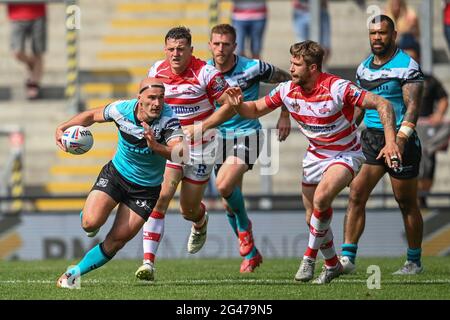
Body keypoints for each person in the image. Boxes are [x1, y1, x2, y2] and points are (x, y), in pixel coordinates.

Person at [224, 40, 400, 284]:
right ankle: (332, 264)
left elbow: (383, 103)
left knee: (321, 199)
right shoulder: (287, 90)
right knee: (312, 218)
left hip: (346, 153)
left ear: (313, 68)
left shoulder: (338, 88)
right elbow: (254, 109)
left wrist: (390, 141)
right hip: (315, 156)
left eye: (297, 65)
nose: (291, 69)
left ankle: (308, 259)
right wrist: (237, 106)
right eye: (291, 63)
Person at [55, 78, 184, 288]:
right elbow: (91, 115)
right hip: (116, 175)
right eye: (151, 98)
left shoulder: (169, 120)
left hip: (146, 190)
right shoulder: (121, 110)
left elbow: (181, 153)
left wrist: (157, 147)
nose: (157, 103)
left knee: (117, 240)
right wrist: (63, 127)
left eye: (161, 98)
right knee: (90, 223)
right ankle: (88, 215)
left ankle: (73, 274)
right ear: (139, 98)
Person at [135, 27, 234, 281]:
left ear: (191, 50)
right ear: (165, 49)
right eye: (171, 49)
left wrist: (200, 128)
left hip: (203, 147)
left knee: (188, 209)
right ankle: (148, 263)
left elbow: (230, 106)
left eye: (181, 49)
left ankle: (200, 221)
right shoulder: (156, 71)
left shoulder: (206, 73)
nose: (175, 54)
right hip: (173, 146)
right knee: (161, 197)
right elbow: (148, 103)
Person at [340, 15, 425, 275]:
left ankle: (413, 262)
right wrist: (344, 134)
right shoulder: (363, 68)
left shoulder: (407, 66)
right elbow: (359, 108)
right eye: (373, 33)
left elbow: (412, 108)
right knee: (356, 194)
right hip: (372, 139)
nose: (377, 38)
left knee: (406, 201)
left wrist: (397, 142)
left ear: (394, 35)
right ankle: (348, 259)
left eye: (383, 33)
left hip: (401, 139)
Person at [207, 24, 292, 273]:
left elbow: (287, 80)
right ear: (210, 45)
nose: (220, 48)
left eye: (226, 44)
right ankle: (252, 253)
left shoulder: (253, 67)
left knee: (223, 186)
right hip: (218, 140)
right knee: (228, 201)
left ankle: (245, 229)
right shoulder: (204, 71)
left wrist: (285, 114)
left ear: (235, 46)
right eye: (216, 44)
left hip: (248, 136)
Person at [398, 38, 449, 208]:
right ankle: (412, 197)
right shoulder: (395, 80)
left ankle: (422, 197)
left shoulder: (427, 79)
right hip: (405, 129)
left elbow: (443, 98)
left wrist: (439, 114)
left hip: (426, 130)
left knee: (428, 161)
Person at [7, 2, 47, 99]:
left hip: (37, 13)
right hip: (16, 14)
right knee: (17, 52)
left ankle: (34, 83)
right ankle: (32, 63)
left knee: (38, 52)